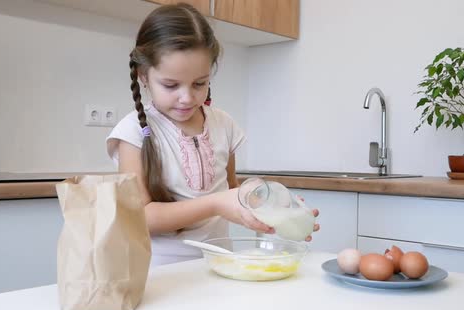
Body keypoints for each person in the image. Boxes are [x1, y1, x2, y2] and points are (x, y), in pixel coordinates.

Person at [106, 3, 319, 266]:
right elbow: (140, 218)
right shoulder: (132, 133)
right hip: (158, 275)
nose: (187, 97)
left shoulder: (223, 125)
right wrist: (216, 203)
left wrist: (270, 208)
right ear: (143, 76)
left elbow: (231, 191)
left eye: (199, 83)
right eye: (171, 85)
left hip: (218, 265)